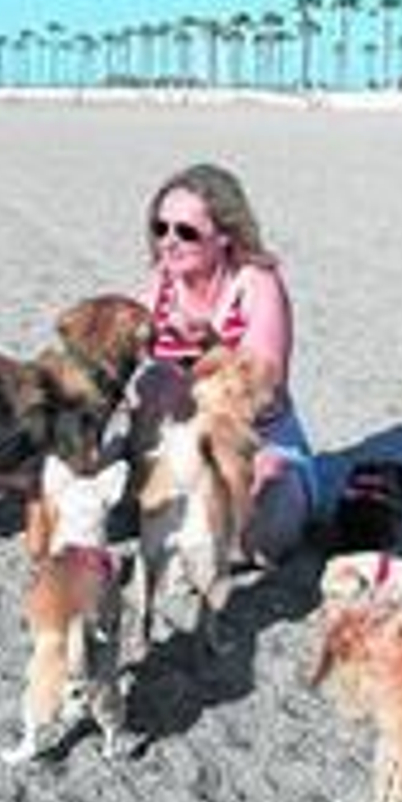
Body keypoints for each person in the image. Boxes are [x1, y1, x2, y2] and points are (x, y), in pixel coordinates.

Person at [132, 161, 317, 564]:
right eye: (160, 228)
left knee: (260, 520)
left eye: (186, 231)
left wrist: (209, 347)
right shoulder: (164, 284)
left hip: (260, 446)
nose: (168, 242)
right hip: (186, 452)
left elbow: (264, 390)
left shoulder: (256, 283)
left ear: (225, 236)